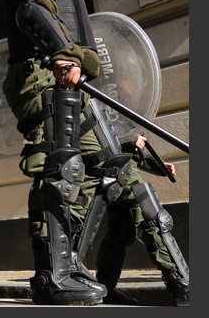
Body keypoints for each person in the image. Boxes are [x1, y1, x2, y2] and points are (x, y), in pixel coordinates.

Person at [0, 0, 114, 305]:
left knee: (101, 169)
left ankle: (72, 263)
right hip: (45, 72)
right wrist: (65, 55)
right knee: (61, 168)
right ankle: (52, 274)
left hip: (64, 72)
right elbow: (33, 8)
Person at [72, 115, 189, 307]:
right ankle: (182, 285)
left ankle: (106, 287)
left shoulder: (118, 99)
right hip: (108, 166)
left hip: (120, 165)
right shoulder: (92, 93)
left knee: (122, 226)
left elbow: (128, 147)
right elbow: (91, 136)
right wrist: (129, 140)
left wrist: (156, 164)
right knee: (152, 215)